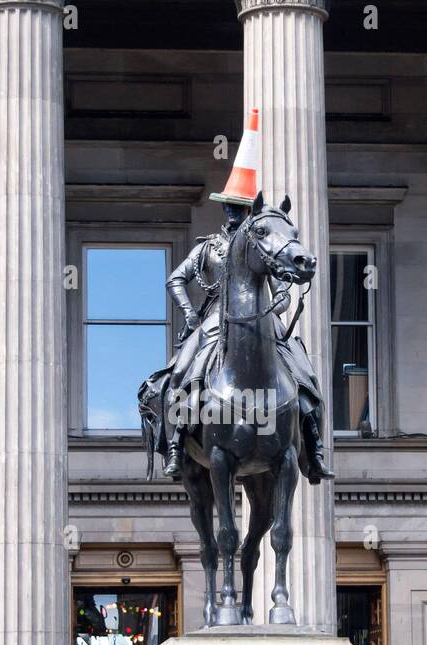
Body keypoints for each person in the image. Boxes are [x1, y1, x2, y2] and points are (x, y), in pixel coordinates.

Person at [142, 195, 332, 484]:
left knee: (304, 373)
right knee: (181, 371)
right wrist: (189, 313)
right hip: (214, 320)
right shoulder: (208, 247)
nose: (231, 210)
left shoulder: (265, 241)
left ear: (248, 210)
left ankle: (315, 450)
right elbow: (175, 279)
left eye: (237, 206)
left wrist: (274, 307)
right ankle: (176, 445)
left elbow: (281, 290)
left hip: (262, 320)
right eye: (227, 205)